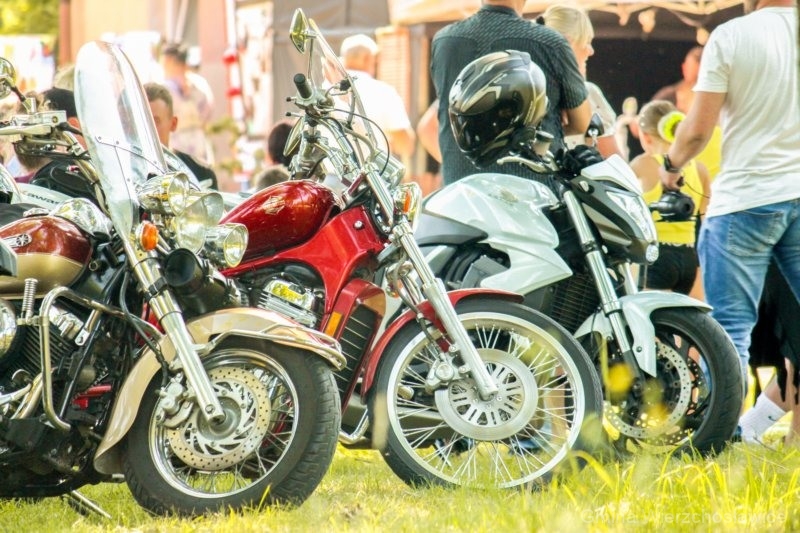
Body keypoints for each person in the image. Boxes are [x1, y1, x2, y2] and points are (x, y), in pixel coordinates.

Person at [659, 0, 799, 446]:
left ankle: (715, 441)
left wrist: (671, 166)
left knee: (728, 334)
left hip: (746, 200)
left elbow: (698, 129)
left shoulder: (733, 36)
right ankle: (758, 431)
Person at [430, 0, 591, 185]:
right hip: (529, 190)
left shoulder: (443, 41)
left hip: (459, 188)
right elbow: (582, 123)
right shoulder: (550, 43)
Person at [630, 100, 709, 297]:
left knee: (649, 315)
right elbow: (705, 221)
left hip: (656, 255)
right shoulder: (699, 169)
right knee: (686, 317)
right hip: (689, 258)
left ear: (646, 137)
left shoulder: (642, 164)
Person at [538, 4, 622, 159]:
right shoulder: (588, 94)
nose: (591, 51)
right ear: (566, 44)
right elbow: (614, 163)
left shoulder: (528, 91)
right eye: (587, 41)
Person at [339, 34, 416, 160]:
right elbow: (405, 145)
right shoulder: (384, 92)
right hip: (370, 169)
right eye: (375, 61)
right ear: (367, 59)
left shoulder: (325, 88)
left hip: (328, 171)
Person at [144, 81, 218, 189]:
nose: (147, 128)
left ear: (173, 124)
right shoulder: (125, 174)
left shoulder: (201, 175)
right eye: (141, 121)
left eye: (155, 121)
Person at [159, 42, 214, 164]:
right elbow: (208, 113)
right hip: (199, 143)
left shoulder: (163, 89)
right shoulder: (201, 83)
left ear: (168, 60)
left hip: (176, 147)